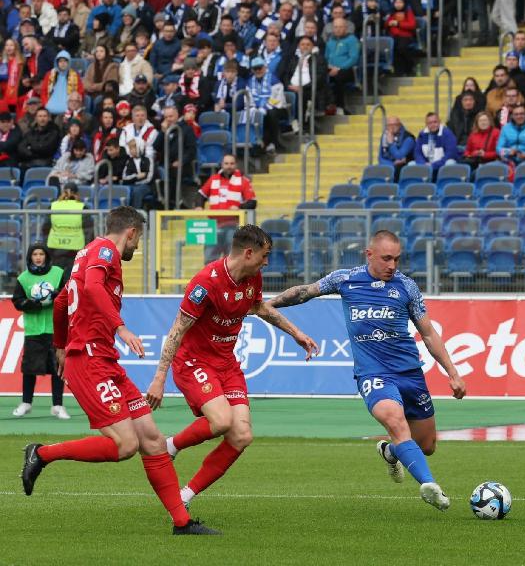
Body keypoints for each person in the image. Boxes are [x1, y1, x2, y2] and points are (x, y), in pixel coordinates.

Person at [21, 206, 219, 536]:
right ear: (131, 232)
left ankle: (182, 523)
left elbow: (61, 302)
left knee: (153, 440)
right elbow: (93, 288)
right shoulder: (105, 251)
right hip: (90, 361)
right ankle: (41, 454)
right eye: (138, 239)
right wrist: (120, 327)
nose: (137, 247)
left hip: (104, 360)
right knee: (126, 445)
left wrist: (60, 346)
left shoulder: (85, 254)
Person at [265, 230, 466, 511]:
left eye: (396, 259)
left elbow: (429, 333)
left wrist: (452, 373)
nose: (392, 265)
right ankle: (429, 485)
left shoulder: (407, 287)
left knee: (426, 445)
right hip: (373, 374)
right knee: (395, 421)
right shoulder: (345, 279)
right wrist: (266, 305)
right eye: (386, 258)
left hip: (410, 373)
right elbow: (304, 292)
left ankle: (391, 451)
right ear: (369, 254)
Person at [145, 224, 319, 512]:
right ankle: (170, 446)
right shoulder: (206, 283)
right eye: (264, 255)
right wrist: (159, 377)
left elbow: (259, 307)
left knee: (241, 436)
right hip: (194, 362)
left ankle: (185, 495)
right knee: (222, 421)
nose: (267, 262)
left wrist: (296, 333)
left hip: (226, 363)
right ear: (248, 253)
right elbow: (177, 329)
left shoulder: (253, 278)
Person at [11, 243, 69, 420]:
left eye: (41, 254)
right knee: (29, 368)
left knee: (57, 368)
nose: (38, 257)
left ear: (46, 256)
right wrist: (34, 304)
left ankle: (57, 405)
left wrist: (56, 296)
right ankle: (26, 403)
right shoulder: (23, 278)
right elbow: (17, 301)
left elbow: (68, 293)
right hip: (33, 330)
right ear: (30, 257)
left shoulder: (58, 273)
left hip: (55, 329)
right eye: (35, 254)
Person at [197, 154, 257, 261]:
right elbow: (201, 195)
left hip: (233, 226)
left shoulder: (243, 180)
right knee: (210, 259)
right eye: (226, 163)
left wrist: (239, 207)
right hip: (214, 225)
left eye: (231, 163)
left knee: (232, 260)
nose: (229, 166)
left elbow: (252, 203)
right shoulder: (213, 179)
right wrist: (199, 206)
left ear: (236, 165)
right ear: (222, 164)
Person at [43, 181, 94, 270]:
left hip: (55, 248)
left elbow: (45, 227)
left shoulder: (53, 206)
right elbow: (88, 230)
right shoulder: (82, 207)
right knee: (73, 276)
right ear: (77, 193)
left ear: (63, 192)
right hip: (75, 250)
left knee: (57, 275)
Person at [413, 112, 458, 179]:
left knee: (450, 163)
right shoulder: (422, 134)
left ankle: (445, 183)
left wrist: (434, 165)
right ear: (426, 124)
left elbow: (450, 154)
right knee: (411, 164)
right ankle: (418, 184)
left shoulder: (447, 134)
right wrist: (423, 164)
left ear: (439, 122)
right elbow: (417, 152)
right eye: (430, 123)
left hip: (442, 163)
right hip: (426, 164)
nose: (433, 125)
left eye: (435, 122)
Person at [496, 104, 525, 169]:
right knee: (492, 167)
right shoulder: (505, 128)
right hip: (508, 160)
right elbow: (498, 149)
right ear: (512, 116)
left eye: (522, 114)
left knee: (522, 167)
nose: (519, 116)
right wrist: (508, 152)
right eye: (516, 114)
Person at [378, 116, 415, 180]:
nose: (392, 127)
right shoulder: (385, 136)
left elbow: (399, 156)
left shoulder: (408, 138)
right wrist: (391, 165)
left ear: (400, 125)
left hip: (404, 168)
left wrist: (391, 143)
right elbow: (381, 157)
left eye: (395, 125)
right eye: (389, 125)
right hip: (390, 165)